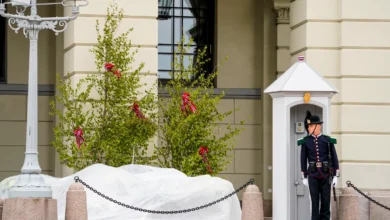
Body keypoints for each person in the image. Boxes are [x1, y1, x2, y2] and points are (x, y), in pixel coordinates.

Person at [297, 111, 340, 220]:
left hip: (325, 174)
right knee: (314, 202)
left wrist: (335, 175)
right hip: (312, 175)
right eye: (308, 126)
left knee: (326, 201)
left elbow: (334, 158)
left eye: (311, 126)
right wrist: (304, 176)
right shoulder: (305, 141)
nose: (309, 128)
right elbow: (303, 159)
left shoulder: (327, 140)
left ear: (318, 126)